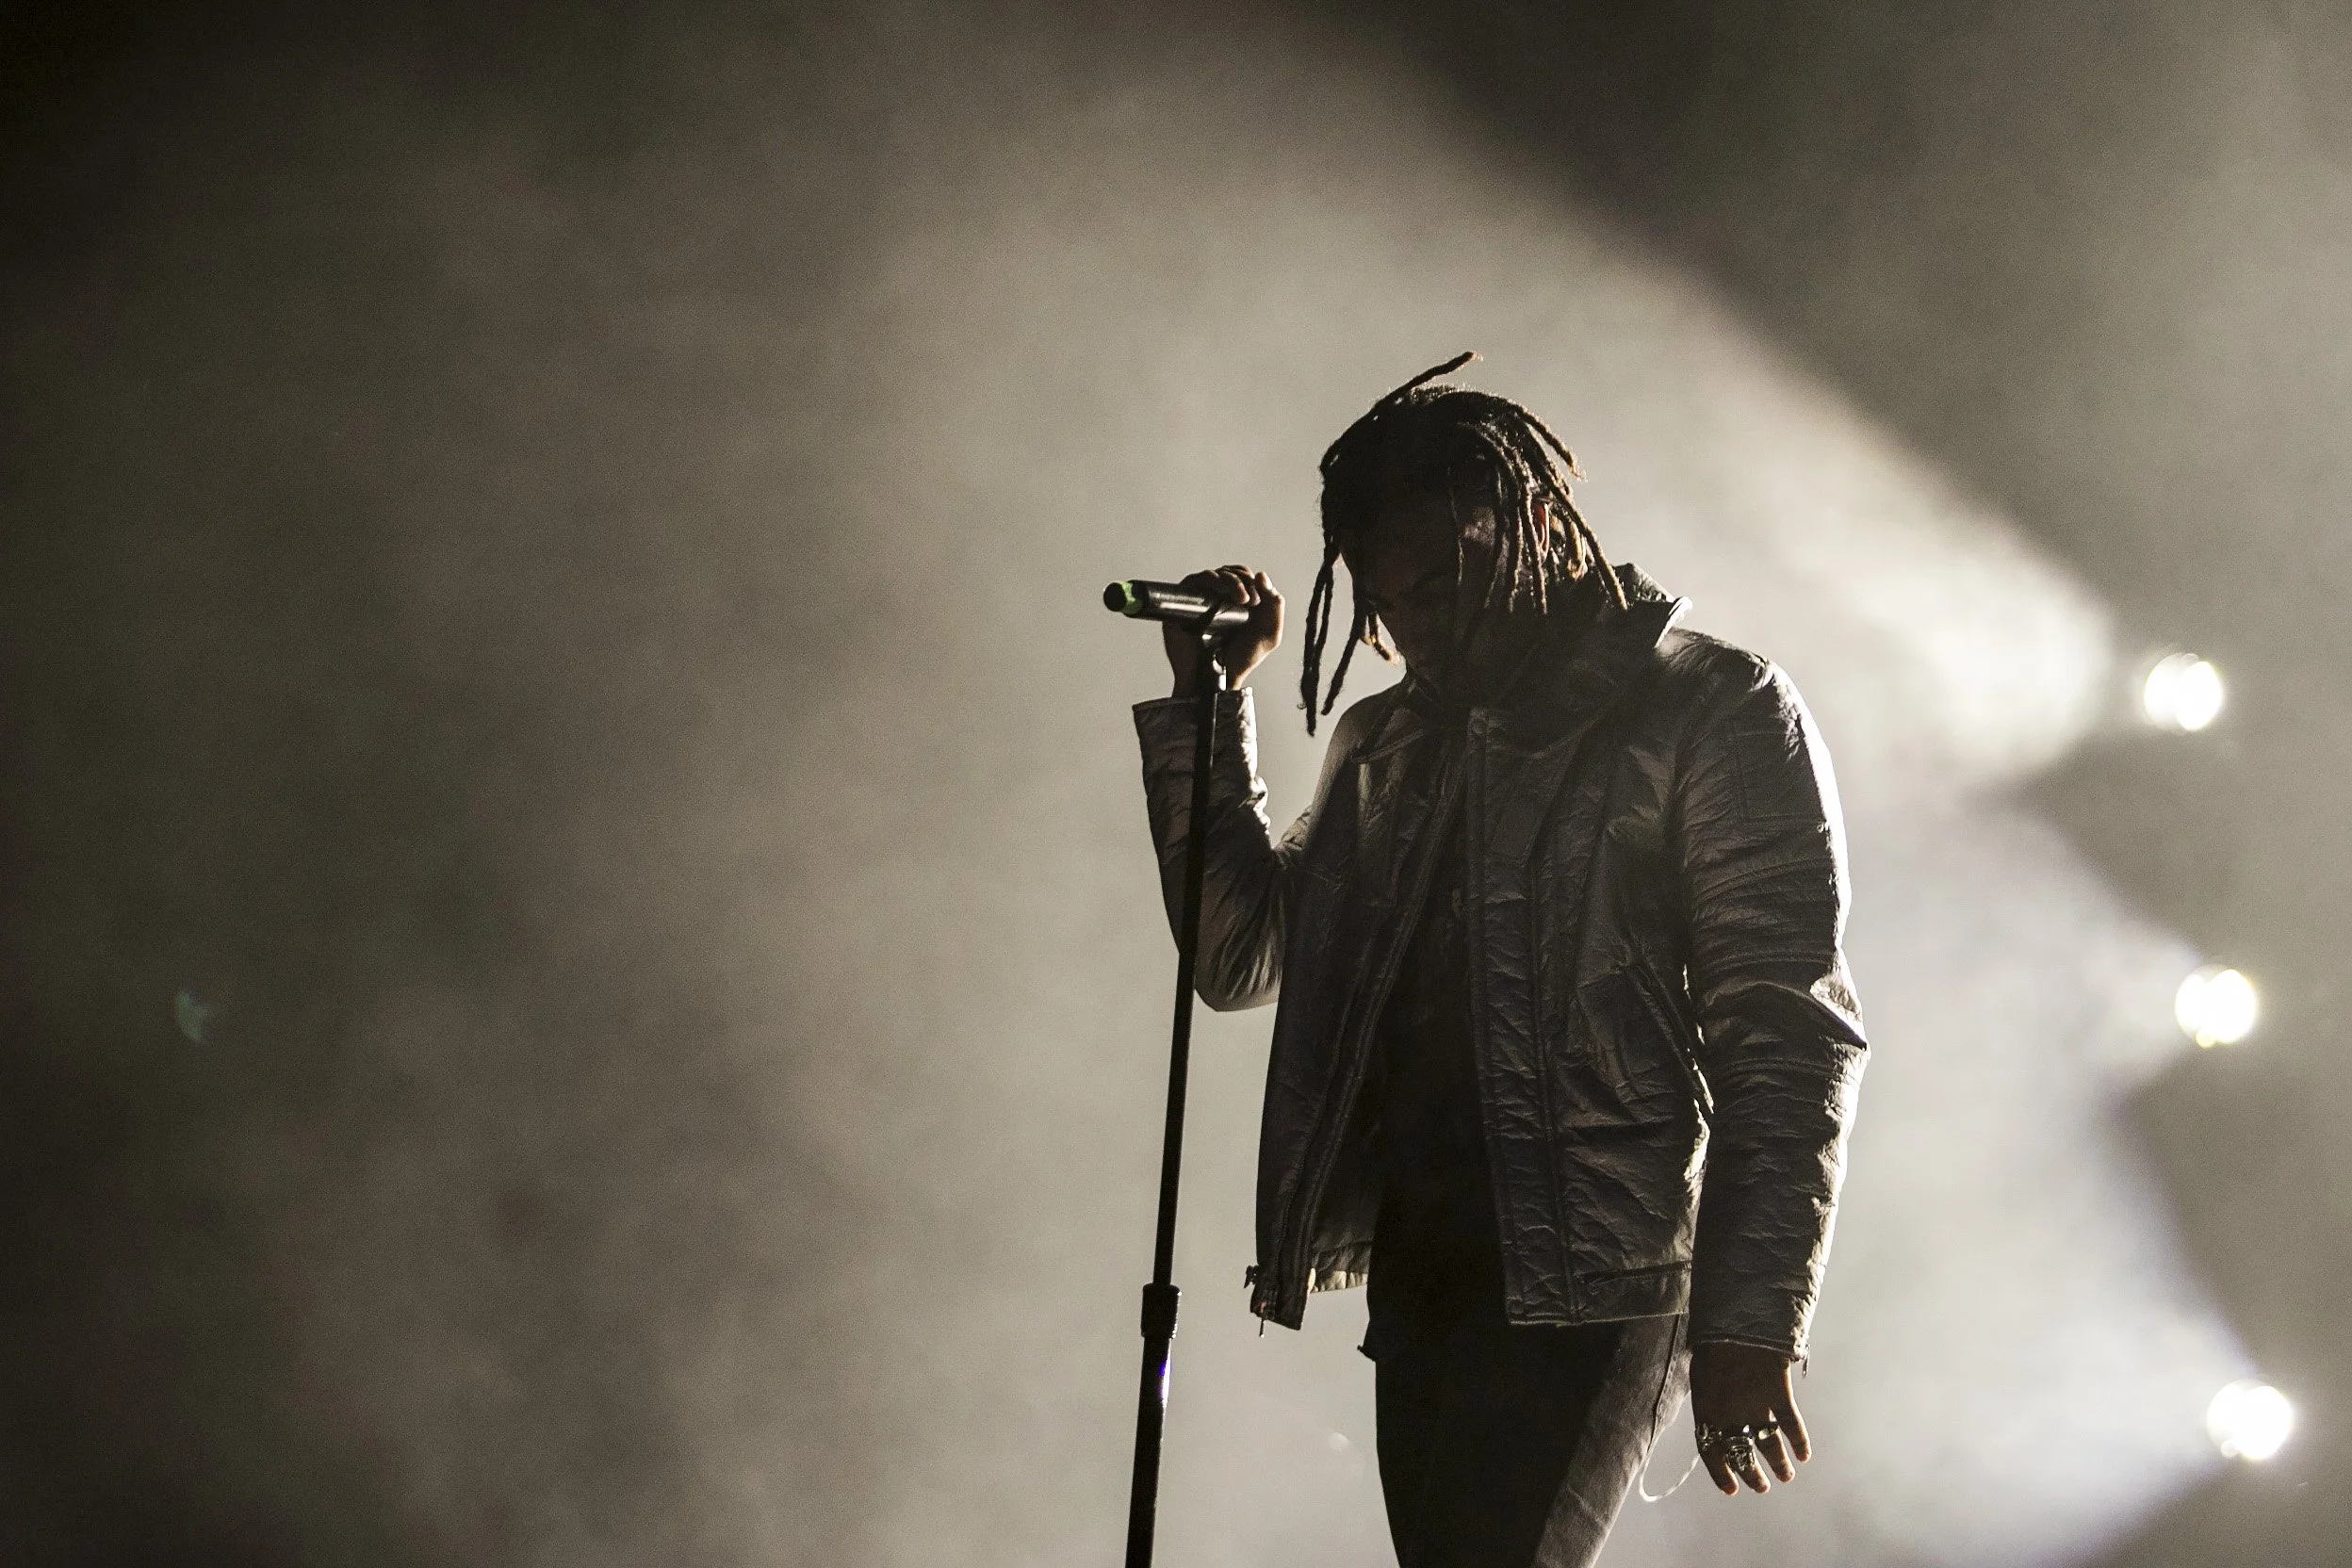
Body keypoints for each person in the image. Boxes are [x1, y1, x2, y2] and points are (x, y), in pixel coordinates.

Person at [1130, 354, 1869, 1568]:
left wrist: (1750, 1318)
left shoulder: (1711, 707)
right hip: (1425, 1270)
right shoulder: (1387, 744)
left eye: (1443, 579)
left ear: (1533, 530)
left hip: (1598, 1278)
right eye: (1387, 600)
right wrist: (1208, 706)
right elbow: (1237, 955)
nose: (1415, 628)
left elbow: (1785, 1031)